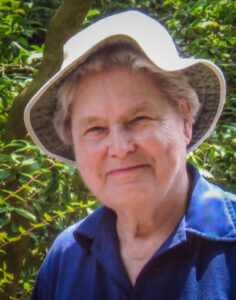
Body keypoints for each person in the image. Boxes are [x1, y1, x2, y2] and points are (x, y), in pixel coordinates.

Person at [24, 10, 236, 300]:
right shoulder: (67, 257)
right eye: (96, 128)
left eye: (139, 119)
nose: (120, 148)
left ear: (185, 121)